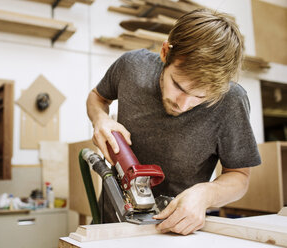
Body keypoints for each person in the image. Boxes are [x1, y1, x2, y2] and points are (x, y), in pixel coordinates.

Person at [86, 8, 261, 235]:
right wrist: (99, 118)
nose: (184, 104)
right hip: (109, 223)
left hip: (175, 232)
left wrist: (206, 194)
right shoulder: (131, 67)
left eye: (200, 97)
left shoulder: (231, 100)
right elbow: (97, 97)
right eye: (178, 86)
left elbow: (239, 177)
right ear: (164, 52)